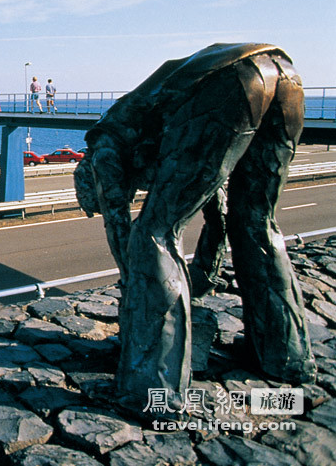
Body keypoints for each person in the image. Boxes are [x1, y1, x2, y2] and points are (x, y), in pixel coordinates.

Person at [74, 43, 315, 411]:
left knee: (152, 234)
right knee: (256, 220)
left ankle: (152, 389)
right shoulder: (149, 138)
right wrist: (203, 272)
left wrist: (134, 292)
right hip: (284, 73)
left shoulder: (103, 150)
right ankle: (285, 357)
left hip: (227, 81)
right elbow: (216, 211)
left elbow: (120, 229)